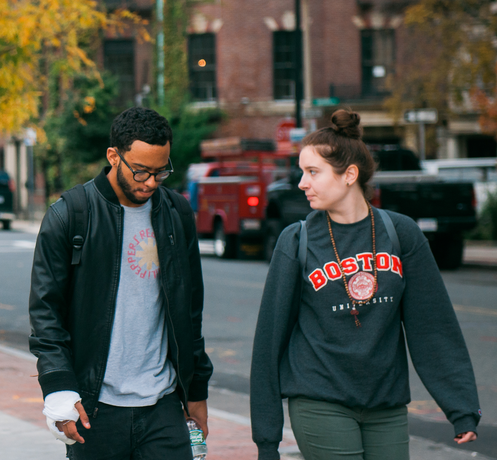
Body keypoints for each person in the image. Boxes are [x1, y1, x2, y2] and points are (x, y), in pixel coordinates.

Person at [250, 110, 481, 460]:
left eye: (313, 172)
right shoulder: (296, 240)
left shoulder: (400, 234)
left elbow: (432, 326)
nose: (301, 183)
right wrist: (267, 439)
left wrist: (461, 407)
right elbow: (270, 339)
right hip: (319, 400)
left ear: (349, 175)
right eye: (302, 172)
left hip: (385, 404)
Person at [28, 107, 213, 459]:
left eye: (161, 171)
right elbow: (46, 313)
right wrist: (59, 392)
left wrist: (196, 391)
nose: (150, 182)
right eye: (141, 170)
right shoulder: (70, 215)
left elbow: (190, 310)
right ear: (114, 156)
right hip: (94, 406)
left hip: (163, 405)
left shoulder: (176, 214)